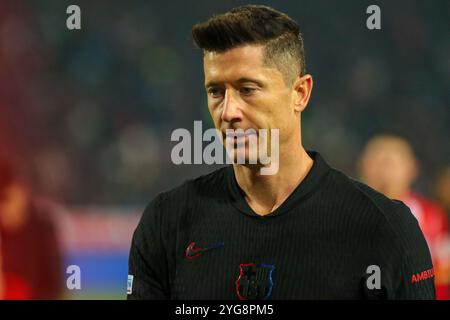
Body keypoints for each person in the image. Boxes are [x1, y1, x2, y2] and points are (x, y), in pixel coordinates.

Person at [128, 5, 434, 300]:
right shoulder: (166, 223)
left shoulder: (385, 228)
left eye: (248, 89)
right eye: (215, 92)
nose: (228, 111)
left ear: (300, 93)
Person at [359, 134, 450, 299]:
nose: (384, 172)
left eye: (391, 163)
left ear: (412, 169)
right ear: (363, 165)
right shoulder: (344, 212)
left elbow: (443, 278)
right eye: (377, 162)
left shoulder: (433, 218)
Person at [0, 157, 63, 299]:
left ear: (21, 191)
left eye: (5, 200)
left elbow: (53, 283)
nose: (2, 210)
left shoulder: (43, 227)